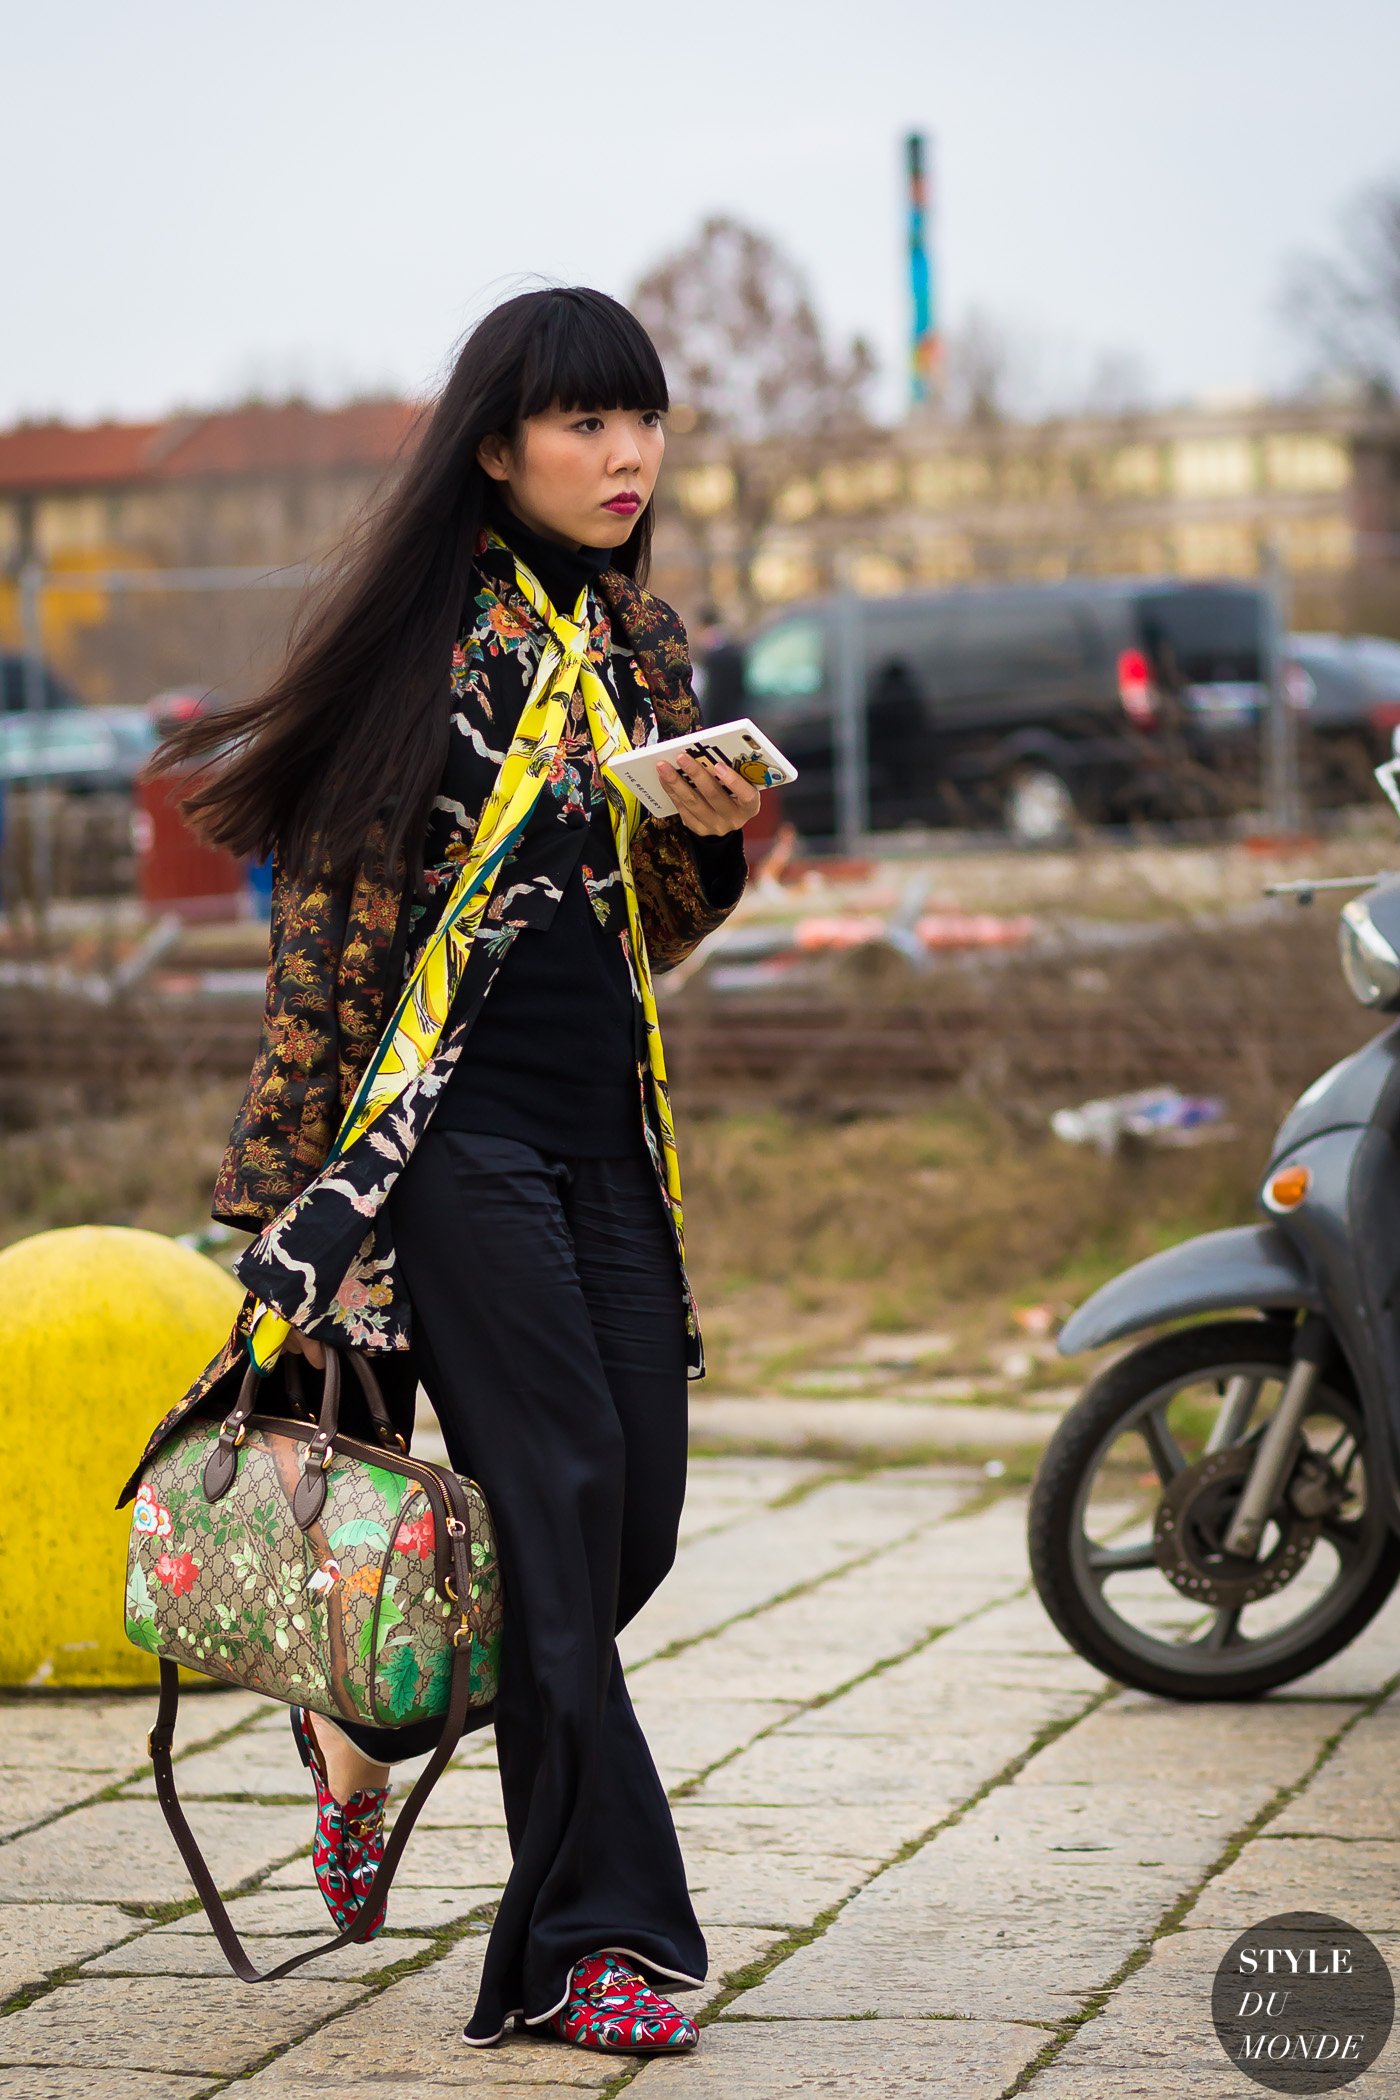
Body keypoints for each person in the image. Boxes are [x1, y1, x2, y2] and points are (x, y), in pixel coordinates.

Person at [126, 287, 762, 2057]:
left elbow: (647, 926)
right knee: (551, 1498)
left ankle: (365, 1729)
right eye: (584, 425)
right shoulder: (434, 644)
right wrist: (285, 1210)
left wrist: (710, 840)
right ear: (497, 446)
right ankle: (596, 1945)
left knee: (621, 1531)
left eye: (642, 422)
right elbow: (324, 944)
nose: (626, 455)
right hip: (445, 1141)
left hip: (609, 1136)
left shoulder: (647, 646)